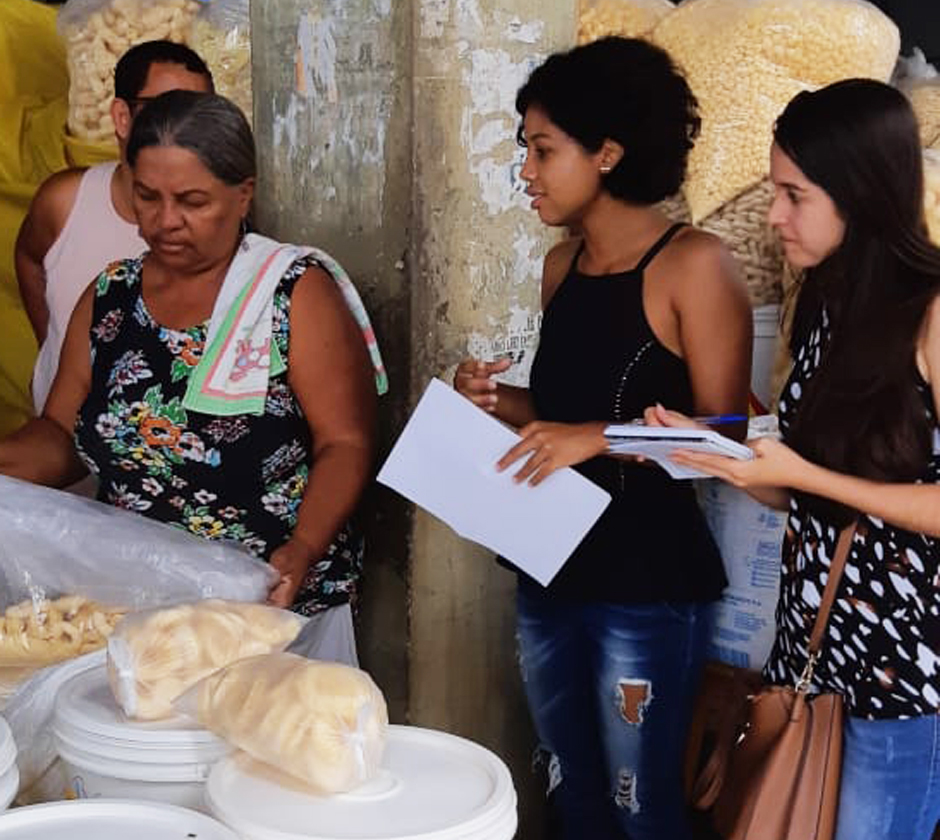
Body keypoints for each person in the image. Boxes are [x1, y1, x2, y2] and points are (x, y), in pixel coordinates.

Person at [453, 37, 752, 840]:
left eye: (543, 151)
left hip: (646, 584)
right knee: (569, 789)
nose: (527, 171)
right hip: (550, 568)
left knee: (641, 804)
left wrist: (594, 436)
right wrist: (493, 403)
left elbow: (727, 437)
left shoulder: (694, 265)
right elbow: (557, 415)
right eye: (526, 150)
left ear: (610, 153)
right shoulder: (561, 268)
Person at [659, 79, 940, 840]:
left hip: (904, 684)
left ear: (863, 194)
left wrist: (797, 474)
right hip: (811, 659)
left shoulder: (933, 313)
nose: (774, 214)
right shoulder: (825, 303)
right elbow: (809, 489)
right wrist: (720, 451)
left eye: (795, 194)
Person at [0, 90, 384, 620]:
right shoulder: (111, 295)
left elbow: (345, 442)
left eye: (192, 201)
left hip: (267, 599)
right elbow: (61, 436)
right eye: (147, 197)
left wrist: (304, 548)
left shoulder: (292, 293)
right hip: (135, 599)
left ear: (242, 195)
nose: (166, 220)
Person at [15, 40, 214, 414]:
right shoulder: (64, 202)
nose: (187, 130)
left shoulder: (216, 226)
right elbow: (28, 258)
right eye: (165, 111)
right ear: (122, 118)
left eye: (201, 114)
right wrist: (53, 347)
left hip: (151, 459)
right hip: (56, 445)